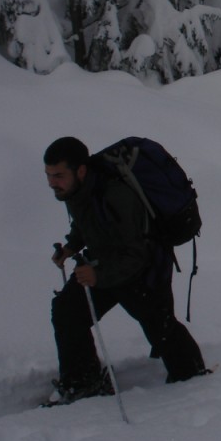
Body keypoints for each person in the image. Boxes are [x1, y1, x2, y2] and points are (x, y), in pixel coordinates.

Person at [44, 136, 208, 402]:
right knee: (67, 310)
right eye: (49, 176)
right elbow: (86, 221)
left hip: (143, 271)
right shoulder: (75, 190)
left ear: (81, 170)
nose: (52, 183)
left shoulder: (116, 194)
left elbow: (137, 253)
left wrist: (98, 275)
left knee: (161, 328)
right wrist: (72, 246)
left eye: (58, 175)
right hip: (104, 264)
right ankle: (82, 382)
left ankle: (192, 379)